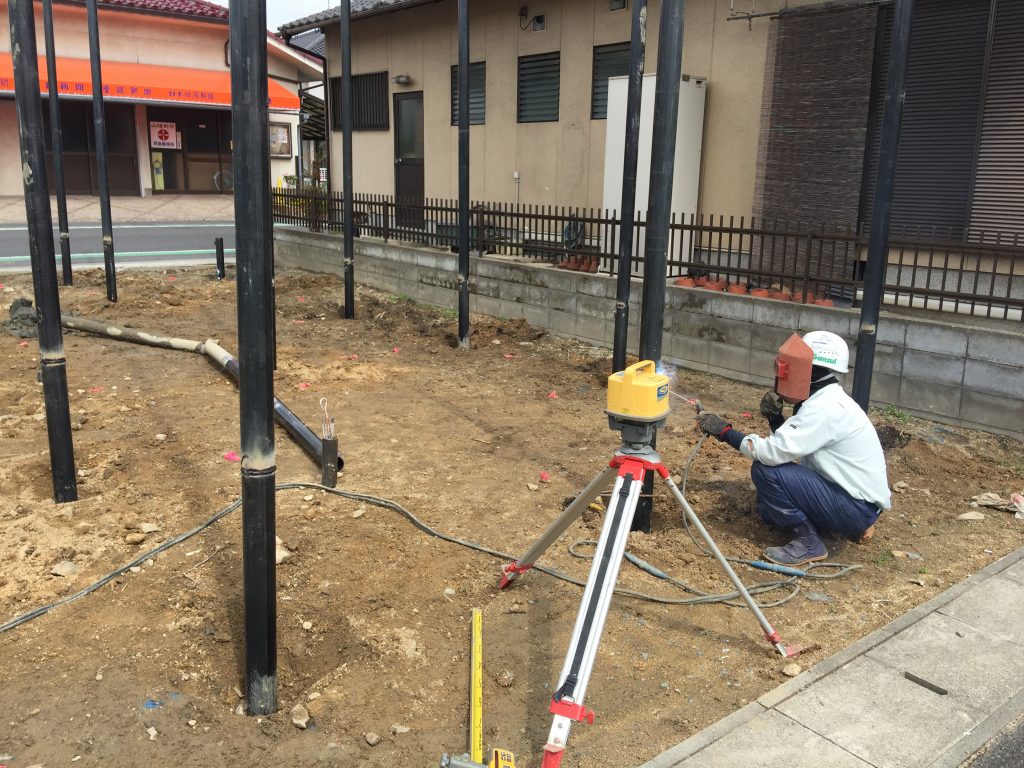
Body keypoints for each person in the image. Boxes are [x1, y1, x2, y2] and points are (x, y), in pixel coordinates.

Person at [696, 330, 891, 566]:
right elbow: (793, 447)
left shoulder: (825, 408)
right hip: (855, 501)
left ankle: (809, 543)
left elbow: (771, 454)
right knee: (768, 508)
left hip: (855, 508)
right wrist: (776, 420)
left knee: (766, 472)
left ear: (810, 370)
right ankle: (829, 524)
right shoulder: (824, 401)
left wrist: (724, 432)